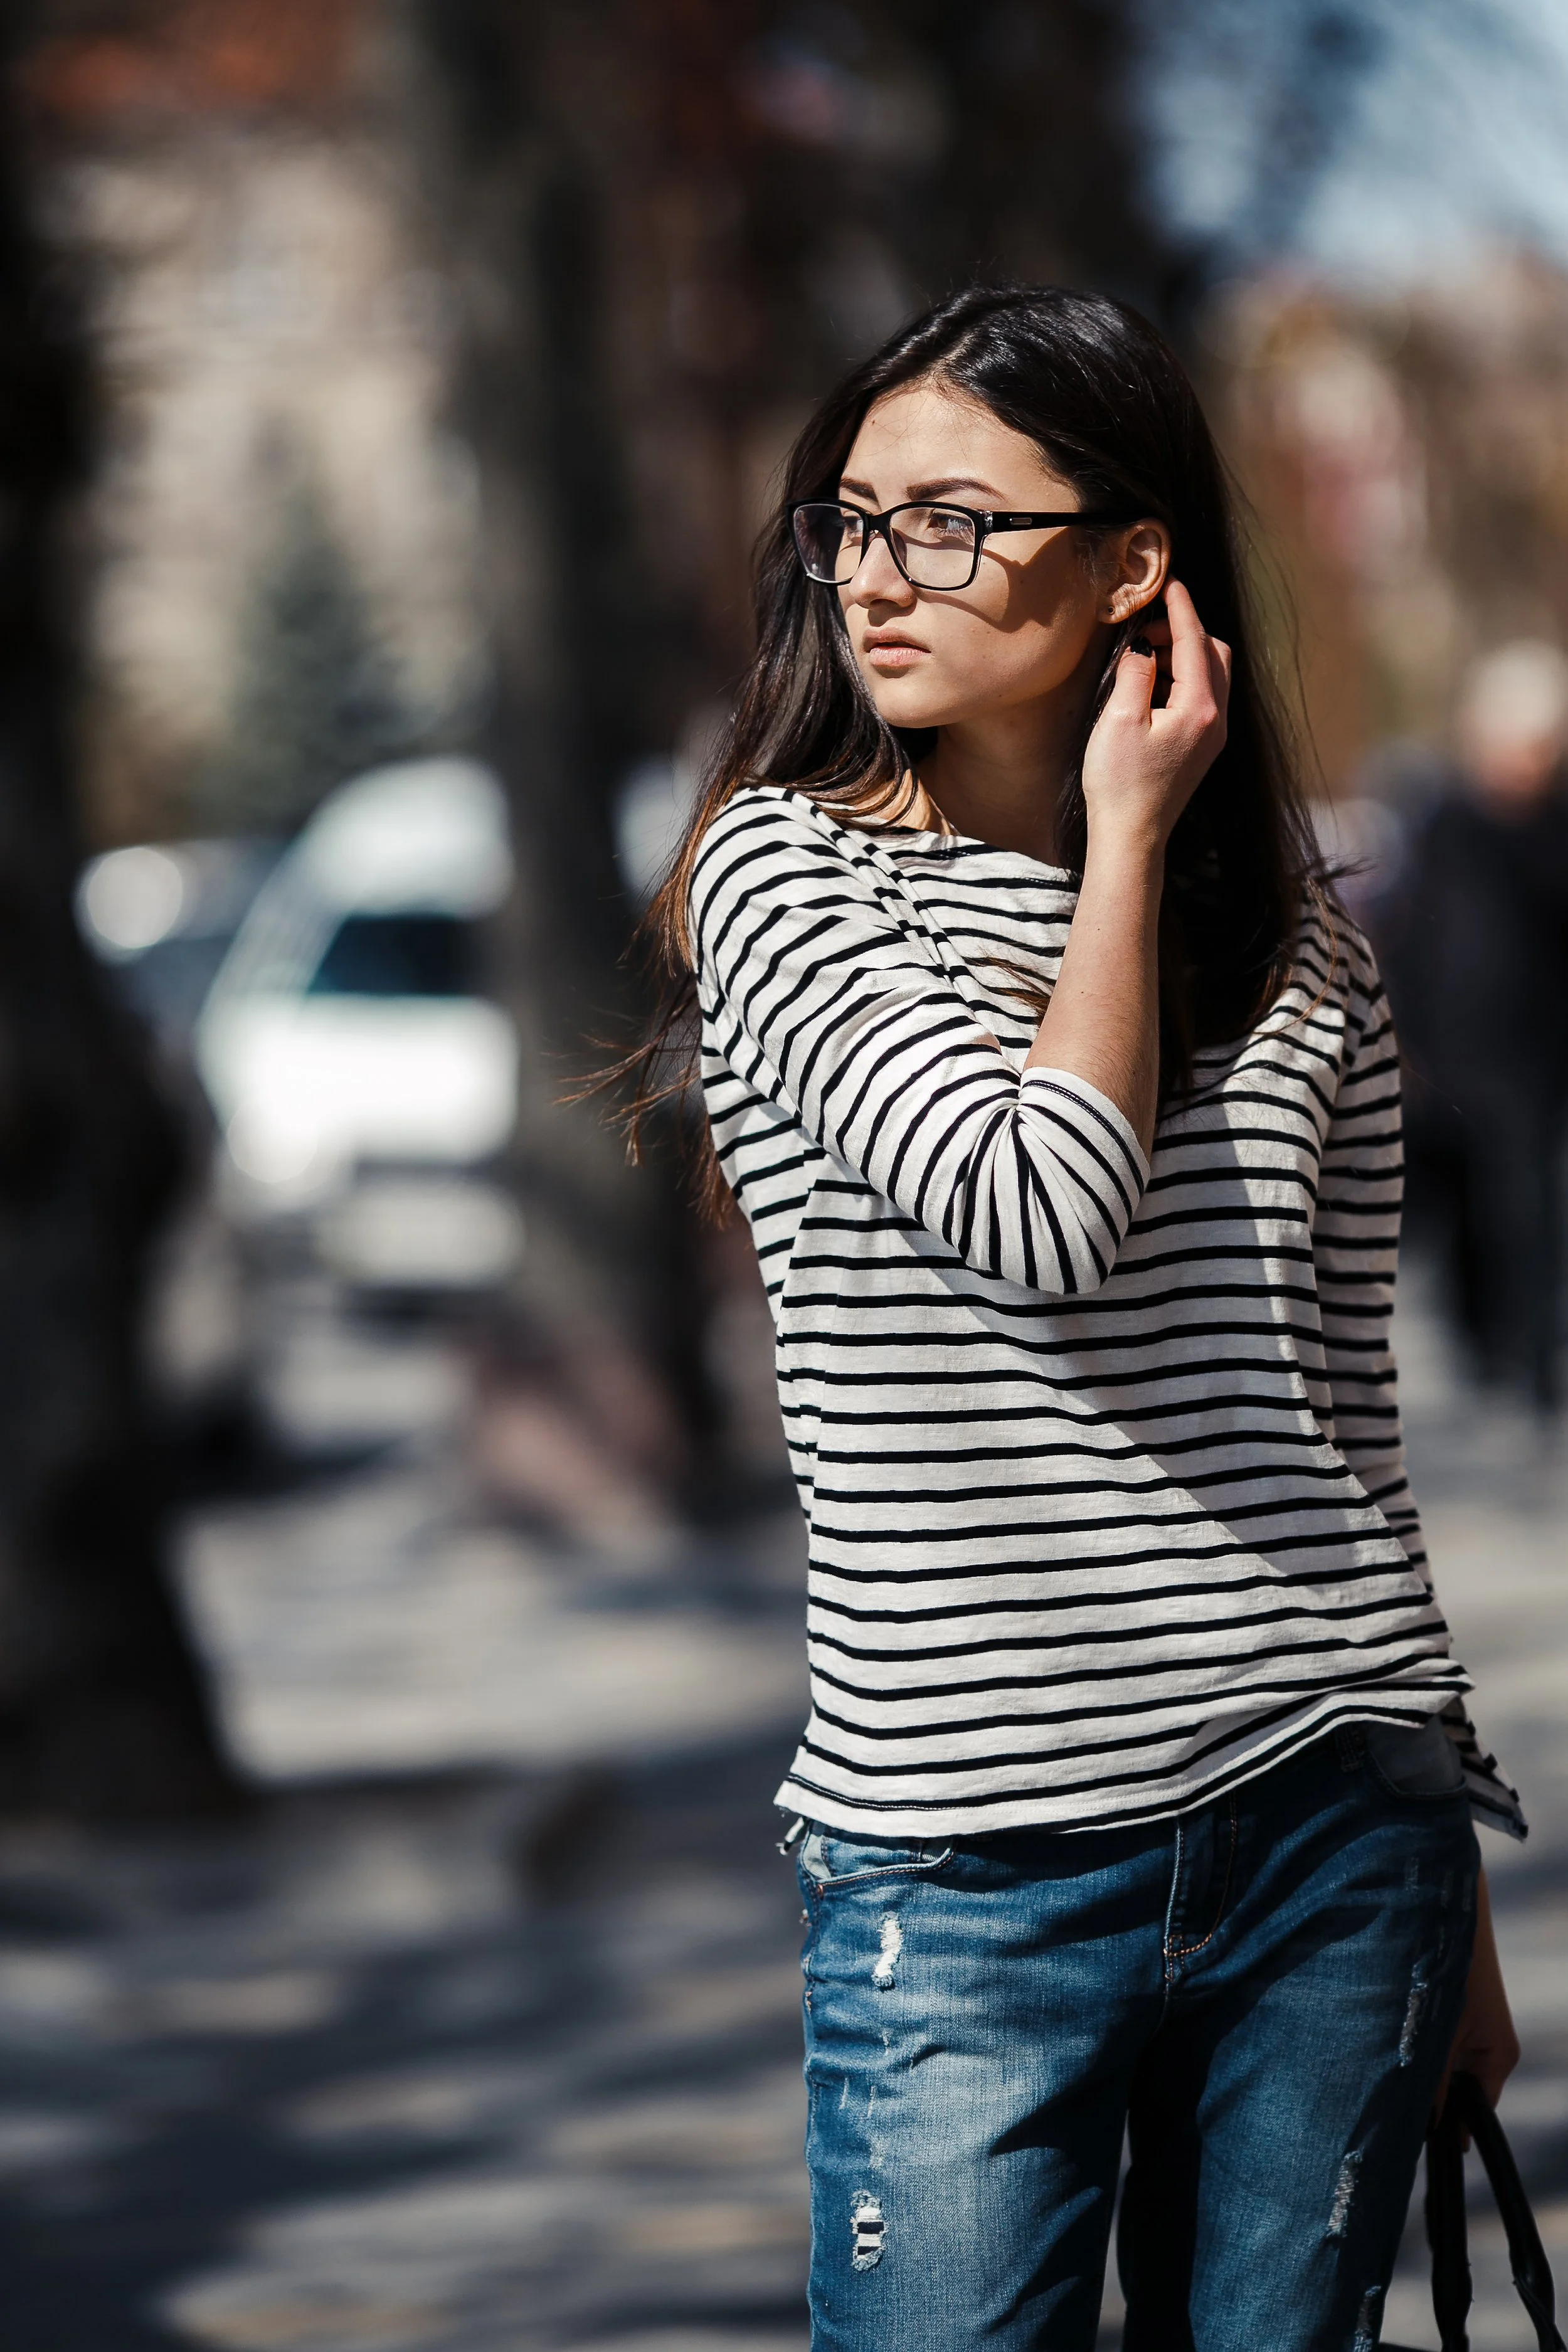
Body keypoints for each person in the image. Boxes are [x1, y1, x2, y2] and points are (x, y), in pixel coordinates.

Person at [618, 287, 1523, 2352]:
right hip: (974, 1873)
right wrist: (1123, 851)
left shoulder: (1301, 941)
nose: (874, 575)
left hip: (1332, 1832)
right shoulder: (785, 884)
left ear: (1133, 560)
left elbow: (1348, 1428)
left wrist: (1450, 1866)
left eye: (947, 521)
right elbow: (1040, 1210)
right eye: (847, 523)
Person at [1381, 641, 1568, 1417]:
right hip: (1452, 1056)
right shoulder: (1444, 822)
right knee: (1463, 1210)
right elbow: (1409, 936)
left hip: (1534, 1058)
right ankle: (1482, 1348)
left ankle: (1527, 1360)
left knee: (1526, 1209)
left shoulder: (1554, 830)